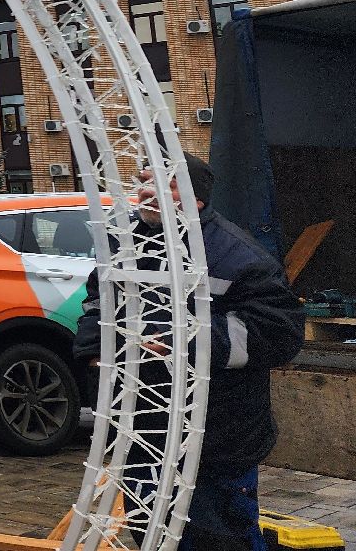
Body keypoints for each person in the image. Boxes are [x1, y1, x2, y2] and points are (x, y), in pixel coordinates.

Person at [73, 152, 304, 551]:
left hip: (215, 436)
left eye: (165, 183)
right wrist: (95, 348)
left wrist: (187, 342)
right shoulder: (123, 245)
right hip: (142, 429)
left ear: (196, 199)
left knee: (219, 538)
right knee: (150, 533)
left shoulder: (236, 254)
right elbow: (99, 302)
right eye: (144, 179)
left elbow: (279, 331)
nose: (146, 190)